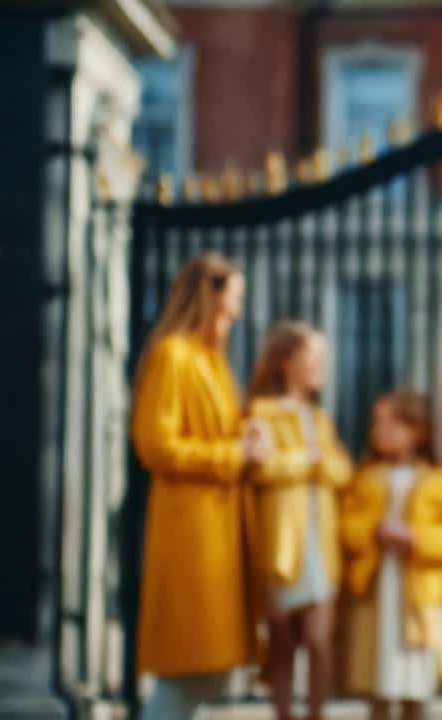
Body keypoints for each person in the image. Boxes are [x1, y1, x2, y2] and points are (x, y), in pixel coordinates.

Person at [131, 252, 273, 720]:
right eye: (235, 298)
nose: (238, 311)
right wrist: (236, 454)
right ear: (209, 296)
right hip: (191, 532)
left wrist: (248, 437)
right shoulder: (174, 355)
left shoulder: (210, 360)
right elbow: (156, 444)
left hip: (217, 526)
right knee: (189, 667)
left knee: (208, 668)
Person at [341, 391, 442, 720]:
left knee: (416, 674)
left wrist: (417, 540)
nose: (381, 430)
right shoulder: (365, 479)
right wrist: (373, 531)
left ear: (418, 430)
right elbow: (345, 524)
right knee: (376, 669)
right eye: (377, 423)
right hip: (377, 590)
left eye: (392, 422)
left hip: (419, 597)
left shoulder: (440, 481)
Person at [244, 321, 353, 720]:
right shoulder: (261, 412)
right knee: (282, 640)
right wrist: (304, 461)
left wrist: (318, 462)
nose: (321, 365)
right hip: (282, 541)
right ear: (286, 360)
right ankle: (284, 714)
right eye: (313, 356)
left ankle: (317, 714)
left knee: (320, 638)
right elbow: (259, 469)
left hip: (319, 541)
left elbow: (342, 471)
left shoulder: (319, 417)